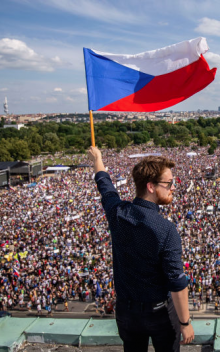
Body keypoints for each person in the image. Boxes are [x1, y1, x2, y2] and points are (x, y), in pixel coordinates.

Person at [89, 146, 193, 351]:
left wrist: (97, 160)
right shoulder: (166, 229)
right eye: (169, 183)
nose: (174, 187)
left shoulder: (117, 213)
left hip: (127, 313)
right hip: (160, 314)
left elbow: (105, 185)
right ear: (151, 187)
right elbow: (177, 282)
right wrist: (185, 323)